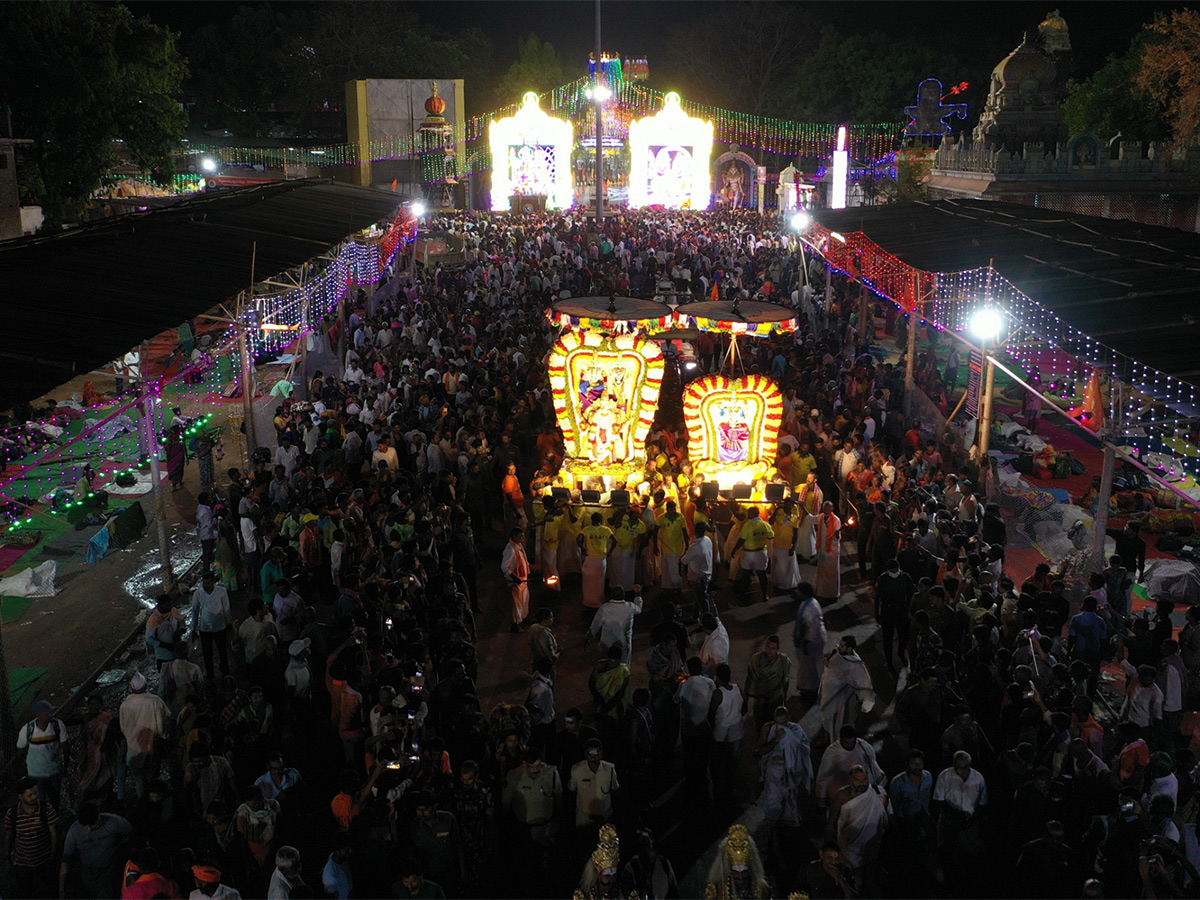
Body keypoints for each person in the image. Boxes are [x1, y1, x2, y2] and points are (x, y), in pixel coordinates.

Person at [59, 801, 133, 899]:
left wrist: (119, 847)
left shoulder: (113, 822)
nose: (89, 829)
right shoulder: (74, 831)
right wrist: (61, 890)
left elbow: (130, 833)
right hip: (86, 870)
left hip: (106, 870)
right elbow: (65, 860)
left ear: (99, 817)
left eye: (92, 825)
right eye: (86, 826)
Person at [755, 705, 812, 829]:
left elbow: (805, 748)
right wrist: (776, 739)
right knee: (772, 800)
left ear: (788, 718)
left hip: (792, 769)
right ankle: (771, 825)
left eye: (783, 723)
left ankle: (788, 822)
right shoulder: (768, 728)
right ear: (774, 720)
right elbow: (762, 751)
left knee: (791, 796)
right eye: (777, 723)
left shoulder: (795, 729)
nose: (780, 726)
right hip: (774, 769)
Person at [836, 765, 890, 893]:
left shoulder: (878, 793)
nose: (862, 783)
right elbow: (836, 823)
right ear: (851, 780)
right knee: (856, 881)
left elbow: (888, 816)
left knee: (873, 879)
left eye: (864, 779)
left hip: (875, 845)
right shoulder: (842, 796)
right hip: (852, 847)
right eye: (857, 780)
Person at [4, 777, 59, 899]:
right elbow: (9, 837)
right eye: (30, 795)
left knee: (52, 888)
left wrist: (52, 857)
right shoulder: (12, 814)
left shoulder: (46, 809)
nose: (34, 797)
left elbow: (54, 834)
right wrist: (7, 858)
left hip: (44, 859)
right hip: (22, 862)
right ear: (21, 796)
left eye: (36, 793)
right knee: (24, 891)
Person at [119, 671, 169, 800]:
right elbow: (164, 722)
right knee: (153, 778)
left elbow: (123, 728)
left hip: (134, 749)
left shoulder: (125, 705)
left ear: (131, 687)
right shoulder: (155, 701)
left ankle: (142, 803)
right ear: (145, 686)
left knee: (139, 781)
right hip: (152, 748)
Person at [819, 636, 874, 740]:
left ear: (850, 649)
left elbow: (863, 680)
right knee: (827, 718)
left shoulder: (855, 664)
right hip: (828, 694)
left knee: (839, 721)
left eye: (842, 645)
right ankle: (828, 736)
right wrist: (827, 663)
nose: (839, 647)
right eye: (840, 644)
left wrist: (865, 699)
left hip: (841, 698)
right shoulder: (837, 652)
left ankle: (839, 742)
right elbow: (831, 664)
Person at [707, 663, 745, 816]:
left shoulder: (718, 693)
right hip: (737, 735)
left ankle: (720, 800)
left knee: (718, 769)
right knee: (732, 768)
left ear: (718, 677)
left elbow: (711, 714)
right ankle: (732, 794)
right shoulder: (738, 689)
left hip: (721, 736)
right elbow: (745, 708)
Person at [17, 699, 67, 807]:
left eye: (51, 712)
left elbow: (65, 746)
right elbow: (20, 750)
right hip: (36, 773)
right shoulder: (27, 729)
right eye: (47, 713)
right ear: (38, 715)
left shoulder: (58, 725)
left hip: (54, 771)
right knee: (39, 800)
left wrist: (65, 766)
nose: (50, 715)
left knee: (54, 799)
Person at [702, 824, 770, 899]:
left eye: (744, 871)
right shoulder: (715, 889)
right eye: (736, 871)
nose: (740, 876)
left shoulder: (762, 889)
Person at [586, 586, 644, 666]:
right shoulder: (630, 607)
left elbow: (595, 625)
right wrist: (638, 594)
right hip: (624, 643)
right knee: (623, 667)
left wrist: (588, 637)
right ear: (624, 595)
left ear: (612, 595)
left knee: (605, 665)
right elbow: (639, 609)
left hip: (606, 643)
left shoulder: (605, 608)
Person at [192, 571, 233, 681]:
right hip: (205, 628)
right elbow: (195, 612)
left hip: (220, 626)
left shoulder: (222, 591)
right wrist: (193, 629)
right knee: (207, 653)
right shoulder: (197, 594)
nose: (205, 586)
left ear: (213, 582)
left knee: (222, 650)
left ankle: (225, 671)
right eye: (204, 583)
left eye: (208, 583)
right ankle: (210, 674)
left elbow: (227, 608)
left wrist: (229, 622)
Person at [743, 636, 791, 727]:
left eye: (773, 648)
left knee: (773, 721)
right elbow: (749, 678)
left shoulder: (783, 661)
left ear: (777, 649)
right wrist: (746, 697)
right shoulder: (756, 659)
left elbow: (786, 680)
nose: (769, 651)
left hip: (775, 698)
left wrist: (784, 698)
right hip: (760, 698)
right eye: (768, 647)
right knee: (759, 720)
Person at [793, 582, 827, 703]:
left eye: (799, 591)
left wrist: (806, 643)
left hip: (813, 641)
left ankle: (811, 689)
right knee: (807, 666)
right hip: (808, 639)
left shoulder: (811, 606)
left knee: (810, 667)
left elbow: (813, 627)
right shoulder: (807, 603)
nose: (797, 593)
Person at [731, 506, 773, 604]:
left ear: (752, 514)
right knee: (762, 575)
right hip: (761, 553)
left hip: (748, 553)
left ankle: (744, 596)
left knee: (746, 575)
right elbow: (771, 536)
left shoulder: (747, 525)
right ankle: (764, 595)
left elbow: (741, 539)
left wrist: (734, 550)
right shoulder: (765, 525)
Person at [580, 512, 616, 610]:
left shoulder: (587, 529)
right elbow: (615, 541)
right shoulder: (606, 530)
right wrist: (609, 552)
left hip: (590, 558)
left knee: (588, 581)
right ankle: (598, 602)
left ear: (592, 520)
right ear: (601, 520)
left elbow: (578, 538)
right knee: (599, 582)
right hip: (601, 560)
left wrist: (583, 549)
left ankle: (587, 601)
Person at [679, 521, 714, 620]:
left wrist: (681, 557)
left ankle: (706, 619)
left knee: (701, 599)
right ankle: (695, 616)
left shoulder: (695, 547)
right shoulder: (707, 540)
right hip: (707, 573)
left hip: (698, 577)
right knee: (698, 597)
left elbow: (684, 561)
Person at [501, 527, 531, 634]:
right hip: (515, 582)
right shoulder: (510, 550)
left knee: (524, 600)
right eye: (520, 536)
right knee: (516, 604)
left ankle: (522, 619)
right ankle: (515, 625)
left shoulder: (518, 546)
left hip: (522, 580)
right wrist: (515, 578)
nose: (522, 538)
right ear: (513, 537)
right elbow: (504, 567)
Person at [814, 502, 842, 601]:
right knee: (822, 571)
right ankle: (821, 591)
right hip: (822, 549)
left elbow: (838, 537)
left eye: (829, 508)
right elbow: (811, 518)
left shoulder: (836, 520)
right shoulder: (821, 517)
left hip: (832, 551)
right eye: (825, 508)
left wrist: (837, 534)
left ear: (832, 509)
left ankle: (832, 593)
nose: (827, 509)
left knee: (831, 572)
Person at [699, 613, 730, 678]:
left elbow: (717, 665)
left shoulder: (715, 645)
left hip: (712, 673)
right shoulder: (719, 627)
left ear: (705, 628)